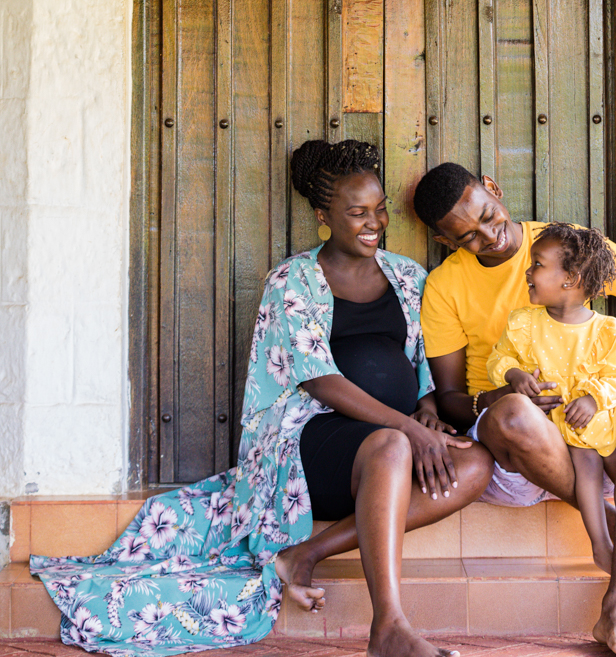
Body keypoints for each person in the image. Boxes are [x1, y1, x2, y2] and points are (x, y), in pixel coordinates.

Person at [31, 141, 492, 657]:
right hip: (311, 443)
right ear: (324, 216)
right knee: (390, 447)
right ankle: (389, 627)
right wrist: (405, 430)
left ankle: (303, 555)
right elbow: (320, 381)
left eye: (380, 209)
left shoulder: (408, 276)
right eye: (357, 212)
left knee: (474, 464)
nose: (374, 222)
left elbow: (423, 364)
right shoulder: (292, 280)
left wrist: (426, 413)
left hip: (390, 441)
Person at [414, 163, 616, 657]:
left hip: (592, 434)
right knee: (517, 413)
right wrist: (502, 394)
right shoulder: (444, 287)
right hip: (517, 452)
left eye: (489, 215)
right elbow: (454, 398)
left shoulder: (569, 247)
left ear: (494, 190)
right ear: (444, 241)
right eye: (469, 238)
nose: (490, 237)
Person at [486, 223, 616, 576]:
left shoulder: (606, 330)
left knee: (608, 462)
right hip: (550, 430)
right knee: (587, 469)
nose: (528, 271)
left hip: (591, 425)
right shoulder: (524, 322)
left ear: (570, 278)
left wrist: (594, 400)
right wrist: (514, 375)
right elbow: (498, 358)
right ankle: (601, 544)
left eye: (537, 264)